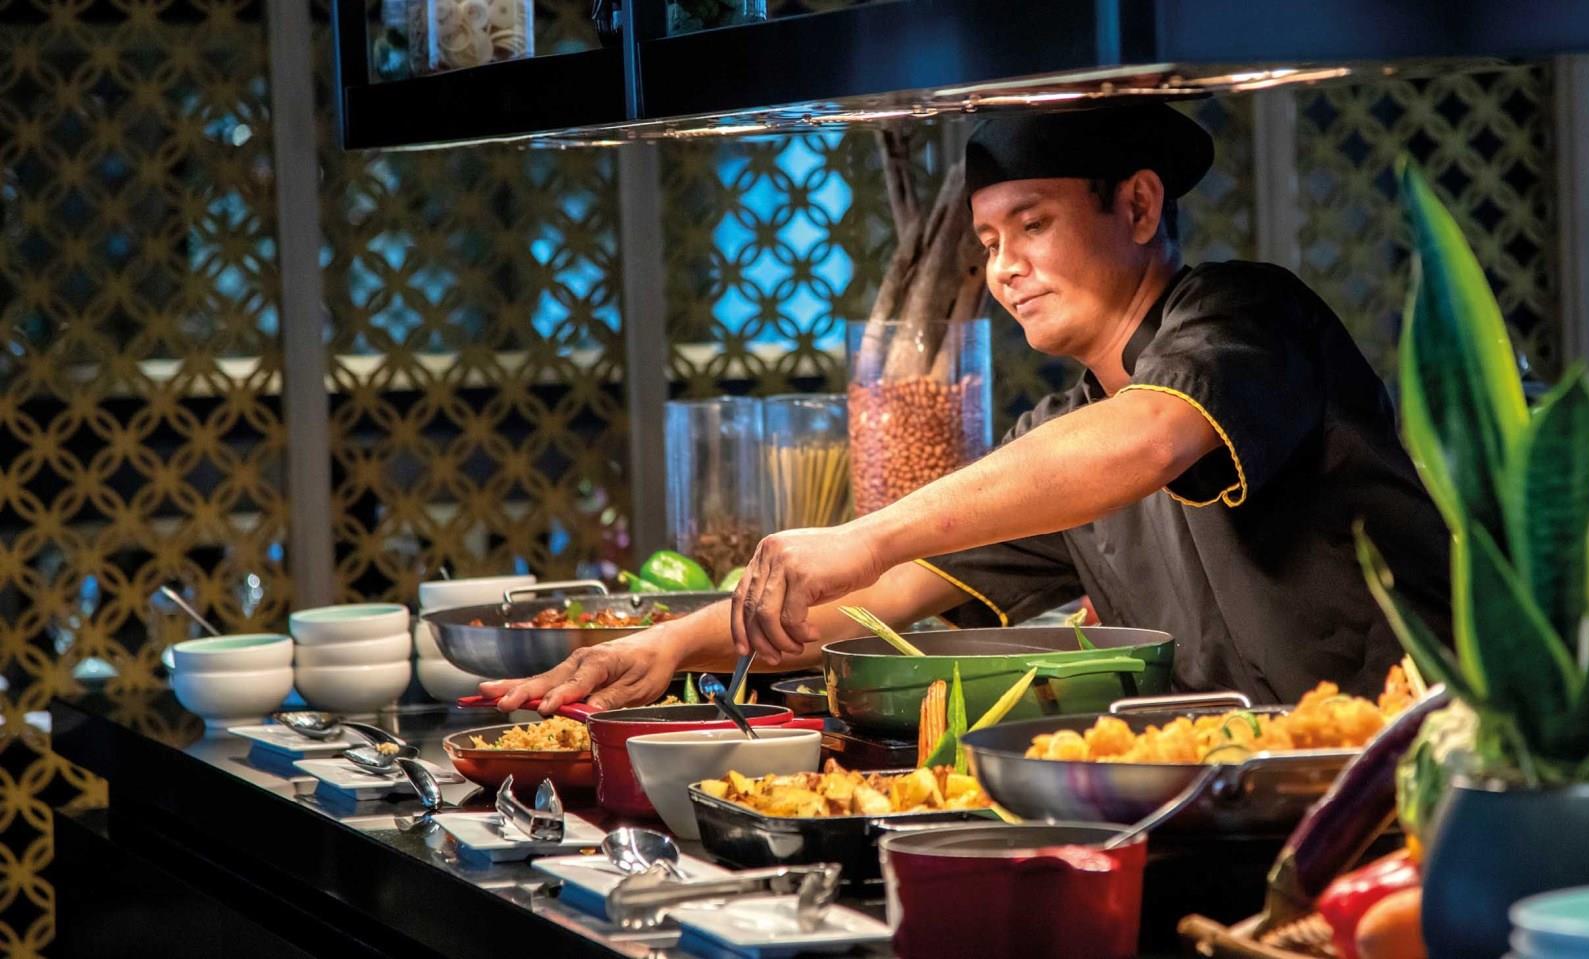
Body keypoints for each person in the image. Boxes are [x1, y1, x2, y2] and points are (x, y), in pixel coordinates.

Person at [481, 103, 1450, 715]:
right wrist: (667, 644)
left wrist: (864, 533)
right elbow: (883, 593)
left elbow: (1153, 435)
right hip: (1240, 798)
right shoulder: (1060, 439)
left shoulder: (1251, 315)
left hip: (1417, 775)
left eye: (1033, 225)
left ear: (1139, 207)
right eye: (988, 243)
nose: (1004, 269)